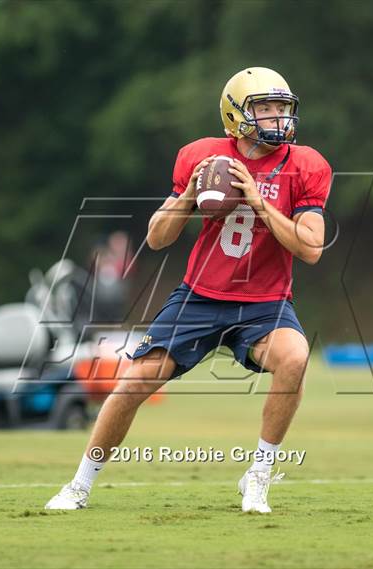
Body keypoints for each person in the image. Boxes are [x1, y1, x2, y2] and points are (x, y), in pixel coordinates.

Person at [45, 67, 331, 513]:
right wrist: (188, 196)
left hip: (265, 304)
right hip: (199, 298)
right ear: (235, 115)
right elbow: (157, 238)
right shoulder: (202, 157)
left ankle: (257, 476)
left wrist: (259, 201)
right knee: (134, 381)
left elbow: (311, 248)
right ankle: (79, 485)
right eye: (265, 109)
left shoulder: (306, 165)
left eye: (282, 108)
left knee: (294, 358)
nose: (278, 118)